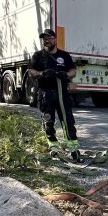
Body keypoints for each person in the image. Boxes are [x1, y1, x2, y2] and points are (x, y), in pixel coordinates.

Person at [28, 28, 81, 162]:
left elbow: (73, 71)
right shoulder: (38, 56)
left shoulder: (64, 55)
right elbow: (31, 72)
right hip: (46, 94)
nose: (47, 40)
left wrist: (66, 75)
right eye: (44, 38)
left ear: (55, 39)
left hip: (62, 94)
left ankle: (73, 148)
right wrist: (42, 73)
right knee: (48, 121)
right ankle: (54, 147)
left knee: (67, 120)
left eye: (49, 38)